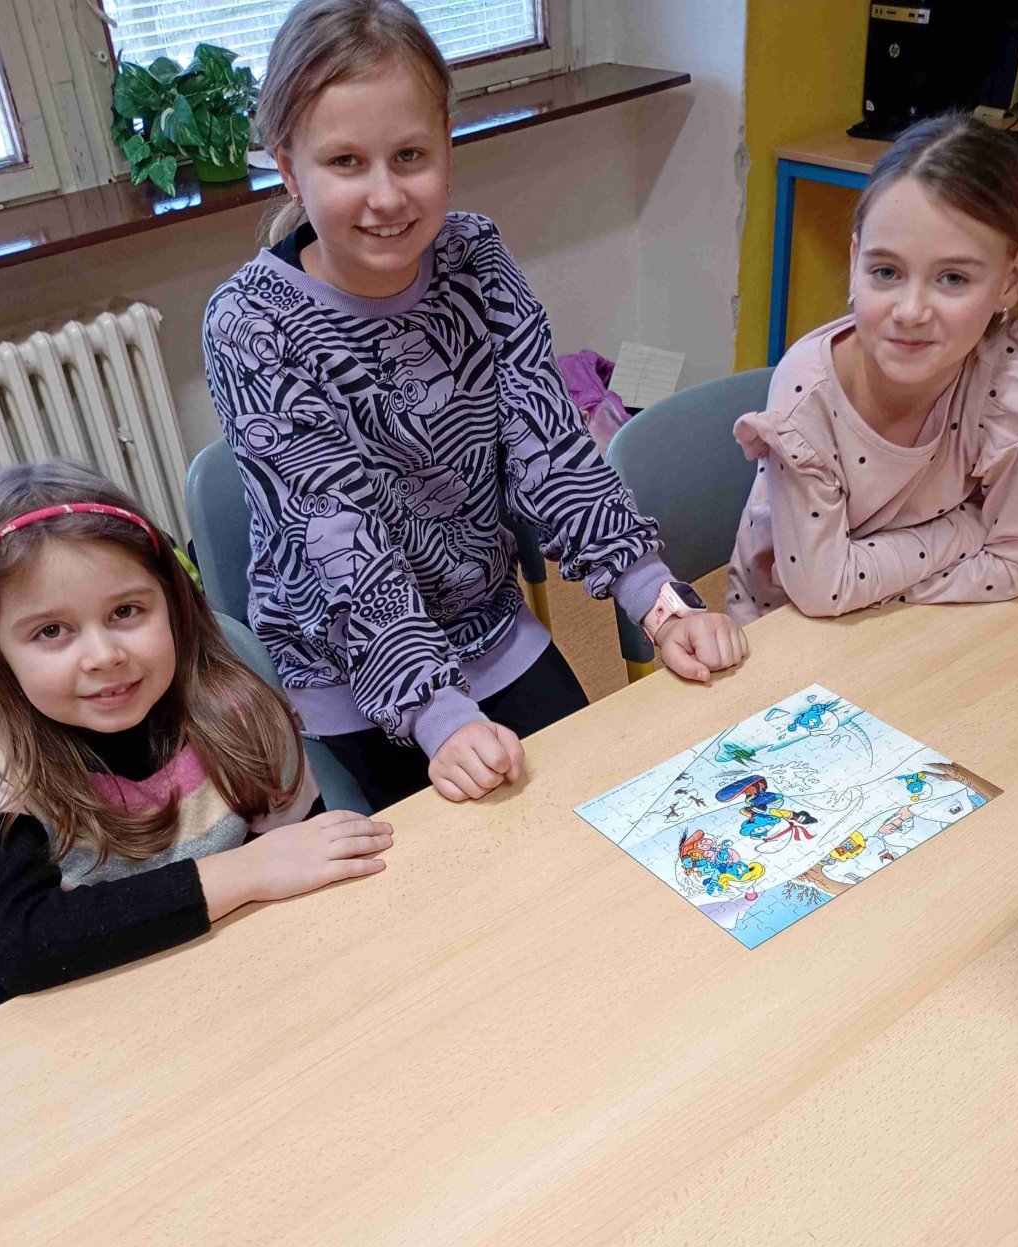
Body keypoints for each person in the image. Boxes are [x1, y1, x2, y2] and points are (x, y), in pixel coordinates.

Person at [204, 0, 747, 811]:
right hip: (347, 672)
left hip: (487, 625)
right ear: (289, 167)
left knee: (606, 807)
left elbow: (551, 447)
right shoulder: (250, 324)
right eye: (346, 162)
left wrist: (662, 604)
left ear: (447, 149)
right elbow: (340, 543)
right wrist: (443, 717)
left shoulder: (476, 258)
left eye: (410, 155)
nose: (386, 196)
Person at [0, 462, 393, 1008]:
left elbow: (307, 856)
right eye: (51, 631)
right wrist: (245, 871)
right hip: (80, 1019)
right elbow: (24, 944)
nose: (104, 656)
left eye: (125, 611)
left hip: (237, 989)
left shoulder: (235, 709)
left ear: (172, 604)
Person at [726, 112, 1018, 622]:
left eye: (952, 278)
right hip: (785, 633)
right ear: (855, 262)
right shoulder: (808, 391)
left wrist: (877, 582)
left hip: (915, 624)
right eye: (886, 272)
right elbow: (819, 591)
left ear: (1010, 280)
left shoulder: (1008, 380)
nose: (910, 311)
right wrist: (970, 528)